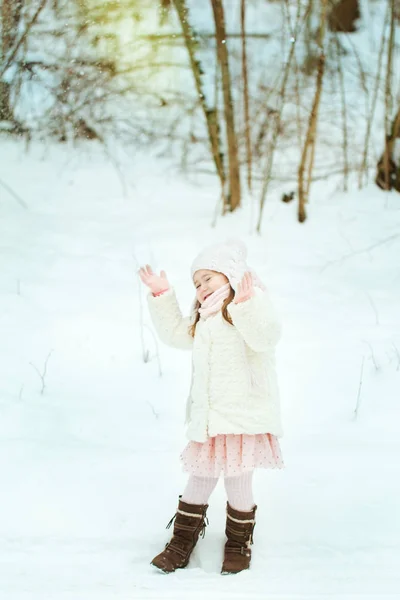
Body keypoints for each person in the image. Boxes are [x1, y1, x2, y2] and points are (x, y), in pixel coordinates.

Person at [138, 239, 284, 575]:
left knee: (238, 482)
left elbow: (266, 337)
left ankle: (238, 543)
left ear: (230, 275)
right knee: (199, 478)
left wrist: (246, 304)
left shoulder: (250, 302)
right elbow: (177, 334)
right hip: (210, 418)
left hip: (243, 417)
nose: (202, 287)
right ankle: (181, 542)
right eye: (197, 282)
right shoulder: (204, 317)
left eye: (209, 278)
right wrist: (163, 296)